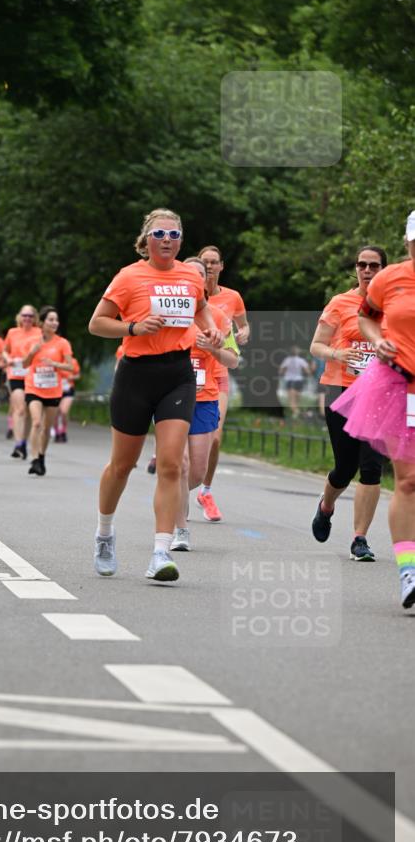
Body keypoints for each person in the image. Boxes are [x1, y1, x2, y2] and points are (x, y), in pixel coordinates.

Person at [88, 208, 222, 581]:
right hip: (136, 374)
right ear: (146, 239)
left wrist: (210, 332)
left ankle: (161, 552)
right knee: (122, 465)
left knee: (170, 464)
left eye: (174, 234)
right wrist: (133, 327)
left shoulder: (190, 277)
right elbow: (97, 323)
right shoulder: (129, 277)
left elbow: (202, 310)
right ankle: (104, 533)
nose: (167, 240)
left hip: (177, 375)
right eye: (160, 233)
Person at [331, 211, 415, 609]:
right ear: (407, 242)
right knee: (408, 480)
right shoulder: (391, 278)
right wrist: (378, 338)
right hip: (401, 385)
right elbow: (366, 316)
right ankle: (408, 571)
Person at [309, 247, 388, 560]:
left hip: (381, 393)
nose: (367, 270)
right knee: (345, 467)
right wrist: (336, 354)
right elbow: (316, 345)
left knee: (371, 467)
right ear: (356, 268)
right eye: (362, 265)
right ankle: (326, 507)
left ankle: (360, 539)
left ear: (383, 269)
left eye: (373, 265)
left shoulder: (395, 305)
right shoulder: (340, 303)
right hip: (341, 389)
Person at [172, 258, 238, 550]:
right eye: (190, 274)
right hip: (171, 395)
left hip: (205, 397)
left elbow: (233, 360)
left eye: (201, 274)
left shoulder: (219, 318)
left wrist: (214, 348)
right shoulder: (170, 314)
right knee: (180, 465)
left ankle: (170, 492)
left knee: (196, 472)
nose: (196, 278)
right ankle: (178, 529)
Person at [197, 245, 249, 521]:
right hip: (189, 373)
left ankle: (205, 490)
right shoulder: (188, 295)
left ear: (220, 266)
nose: (209, 266)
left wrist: (244, 334)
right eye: (204, 262)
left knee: (215, 437)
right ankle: (178, 484)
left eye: (213, 262)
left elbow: (243, 325)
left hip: (217, 373)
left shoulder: (232, 297)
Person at [22, 306, 74, 475]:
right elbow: (24, 364)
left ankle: (41, 456)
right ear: (42, 323)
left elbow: (70, 366)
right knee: (36, 422)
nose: (54, 323)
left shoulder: (62, 343)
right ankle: (35, 458)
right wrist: (32, 352)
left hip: (53, 391)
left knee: (46, 427)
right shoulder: (33, 342)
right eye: (51, 320)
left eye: (56, 320)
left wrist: (55, 365)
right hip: (33, 388)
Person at [3, 306, 41, 459]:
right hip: (16, 375)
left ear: (35, 318)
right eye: (24, 315)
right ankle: (18, 444)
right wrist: (8, 359)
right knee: (19, 409)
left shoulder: (39, 333)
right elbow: (5, 350)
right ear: (19, 317)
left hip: (32, 375)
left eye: (30, 316)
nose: (27, 318)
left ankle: (24, 441)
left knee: (28, 412)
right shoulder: (12, 332)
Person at [279, 346, 311, 419]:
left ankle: (298, 413)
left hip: (290, 381)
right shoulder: (301, 360)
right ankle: (298, 414)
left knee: (291, 400)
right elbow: (308, 372)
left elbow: (281, 371)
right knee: (297, 399)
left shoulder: (287, 360)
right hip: (299, 380)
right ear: (298, 353)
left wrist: (285, 372)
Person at [55, 355, 80, 442]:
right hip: (56, 390)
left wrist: (71, 377)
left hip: (68, 389)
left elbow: (78, 375)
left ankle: (63, 431)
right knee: (56, 412)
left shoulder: (73, 361)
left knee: (64, 411)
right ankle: (57, 432)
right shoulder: (55, 360)